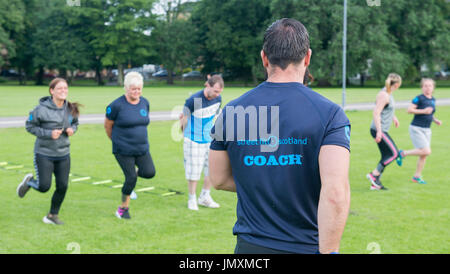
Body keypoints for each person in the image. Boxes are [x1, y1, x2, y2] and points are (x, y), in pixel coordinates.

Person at [208, 18, 351, 254]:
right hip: (305, 246)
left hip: (249, 249)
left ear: (264, 57)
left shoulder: (232, 111)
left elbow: (219, 179)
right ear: (307, 57)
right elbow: (335, 193)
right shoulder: (330, 114)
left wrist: (267, 184)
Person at [16, 78, 81, 225]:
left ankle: (52, 215)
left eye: (65, 88)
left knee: (63, 186)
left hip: (63, 154)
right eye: (60, 88)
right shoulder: (40, 110)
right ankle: (29, 182)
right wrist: (48, 133)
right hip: (44, 153)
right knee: (44, 187)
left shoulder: (70, 109)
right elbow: (29, 126)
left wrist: (73, 130)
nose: (63, 91)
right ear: (52, 91)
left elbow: (75, 123)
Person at [104, 72, 156, 219]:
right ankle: (122, 209)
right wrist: (116, 141)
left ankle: (131, 182)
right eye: (133, 89)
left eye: (139, 89)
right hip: (123, 149)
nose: (136, 92)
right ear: (126, 88)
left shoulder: (144, 102)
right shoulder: (115, 105)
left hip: (141, 148)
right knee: (131, 178)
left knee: (149, 172)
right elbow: (108, 126)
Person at [179, 75, 224, 211]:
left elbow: (214, 116)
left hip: (209, 139)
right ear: (208, 86)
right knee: (194, 171)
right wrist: (185, 135)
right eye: (215, 91)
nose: (217, 95)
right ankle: (192, 199)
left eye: (219, 92)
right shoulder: (194, 100)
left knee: (211, 169)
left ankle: (205, 196)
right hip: (193, 139)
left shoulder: (218, 99)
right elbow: (184, 119)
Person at [398, 78, 442, 184]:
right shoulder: (418, 99)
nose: (428, 88)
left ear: (433, 87)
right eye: (425, 86)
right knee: (426, 151)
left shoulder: (433, 99)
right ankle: (402, 153)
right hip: (416, 128)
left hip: (427, 129)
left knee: (423, 155)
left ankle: (416, 177)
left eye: (430, 86)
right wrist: (423, 111)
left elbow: (430, 113)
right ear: (422, 87)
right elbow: (409, 110)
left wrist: (435, 120)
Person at [366, 73, 403, 190]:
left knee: (386, 155)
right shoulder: (384, 95)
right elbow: (376, 112)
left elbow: (386, 109)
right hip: (379, 129)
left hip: (381, 129)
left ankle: (375, 184)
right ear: (397, 85)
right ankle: (374, 175)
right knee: (394, 154)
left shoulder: (387, 93)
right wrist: (379, 132)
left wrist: (394, 117)